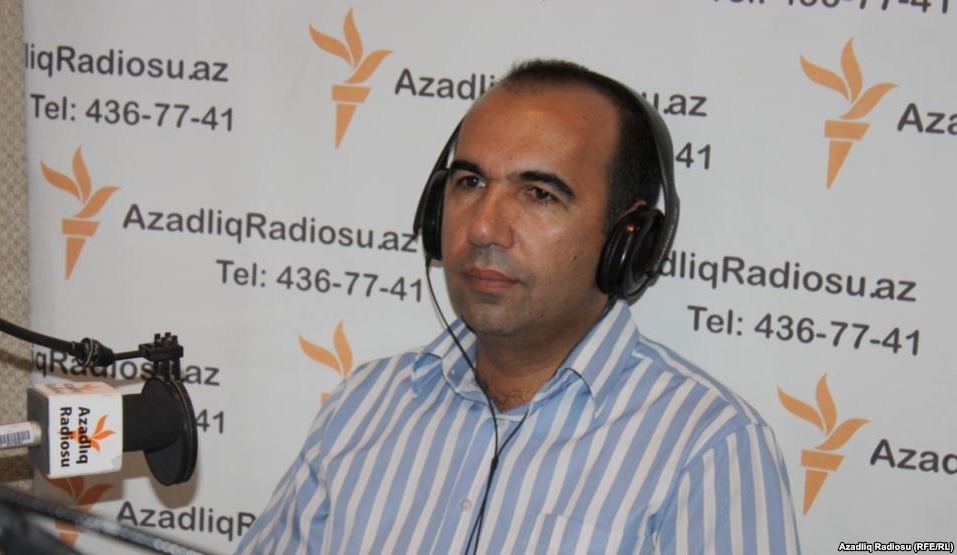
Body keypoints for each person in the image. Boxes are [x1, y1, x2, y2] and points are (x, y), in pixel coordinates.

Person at [237, 59, 800, 554]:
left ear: (628, 242)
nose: (483, 227)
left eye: (539, 194)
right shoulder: (365, 406)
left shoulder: (708, 447)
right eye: (470, 182)